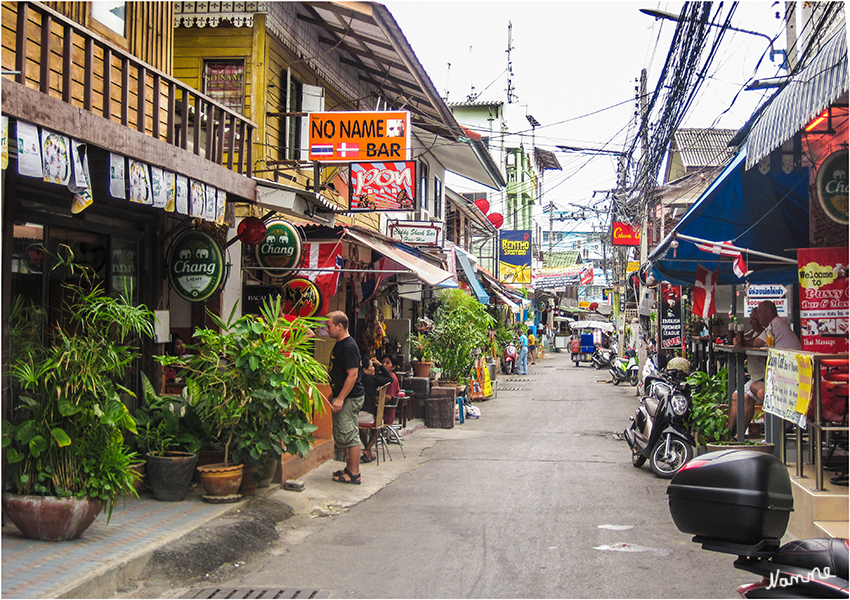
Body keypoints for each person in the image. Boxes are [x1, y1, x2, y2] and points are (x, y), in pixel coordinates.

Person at [728, 301, 801, 436]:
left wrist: (740, 342)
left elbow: (757, 343)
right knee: (746, 397)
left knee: (758, 390)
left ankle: (773, 435)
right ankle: (737, 436)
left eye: (759, 313)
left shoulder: (776, 324)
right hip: (780, 374)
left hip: (788, 376)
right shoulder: (773, 325)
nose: (757, 318)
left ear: (769, 313)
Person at [326, 311, 365, 484]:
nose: (327, 330)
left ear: (339, 326)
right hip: (344, 395)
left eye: (329, 326)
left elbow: (353, 375)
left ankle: (354, 473)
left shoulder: (348, 346)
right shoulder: (342, 344)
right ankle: (349, 468)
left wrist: (341, 398)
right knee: (346, 432)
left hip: (349, 397)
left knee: (350, 434)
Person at [358, 357, 394, 463]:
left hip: (353, 416)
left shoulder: (355, 379)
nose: (374, 369)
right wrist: (380, 366)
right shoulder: (373, 379)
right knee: (378, 427)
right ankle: (368, 448)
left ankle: (367, 450)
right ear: (365, 370)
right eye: (371, 366)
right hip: (367, 416)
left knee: (361, 429)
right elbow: (390, 379)